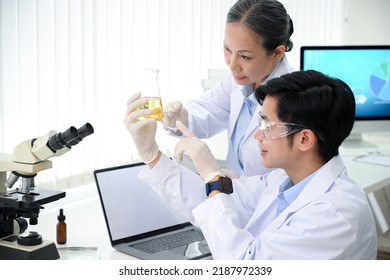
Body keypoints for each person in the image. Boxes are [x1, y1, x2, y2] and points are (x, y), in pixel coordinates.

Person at [124, 70, 378, 259]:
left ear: (304, 139)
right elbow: (219, 204)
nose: (257, 134)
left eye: (267, 125)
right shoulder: (284, 181)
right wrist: (152, 155)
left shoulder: (335, 214)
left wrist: (212, 174)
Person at [162, 0, 295, 177]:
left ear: (277, 53)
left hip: (267, 201)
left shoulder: (294, 99)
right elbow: (210, 109)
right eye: (227, 49)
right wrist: (182, 120)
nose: (232, 65)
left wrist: (239, 184)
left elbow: (289, 180)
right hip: (232, 194)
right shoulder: (239, 80)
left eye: (245, 57)